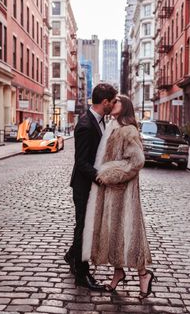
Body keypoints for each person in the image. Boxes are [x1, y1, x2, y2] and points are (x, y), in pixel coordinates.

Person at [82, 95, 156, 298]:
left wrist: (109, 173)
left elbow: (137, 161)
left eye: (117, 102)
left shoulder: (128, 129)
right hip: (112, 193)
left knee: (130, 233)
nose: (112, 104)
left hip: (123, 193)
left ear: (125, 107)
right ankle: (118, 274)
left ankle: (144, 275)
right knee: (114, 234)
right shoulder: (112, 126)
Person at [64, 83, 118, 291]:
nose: (113, 105)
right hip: (83, 186)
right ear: (104, 102)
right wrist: (101, 176)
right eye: (112, 102)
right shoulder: (86, 124)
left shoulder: (101, 120)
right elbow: (81, 162)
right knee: (83, 229)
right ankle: (81, 274)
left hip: (90, 186)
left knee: (87, 227)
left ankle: (72, 255)